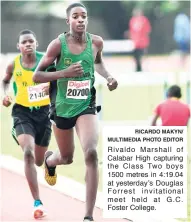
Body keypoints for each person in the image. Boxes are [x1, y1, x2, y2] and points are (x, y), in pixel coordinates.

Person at [33, 2, 118, 222]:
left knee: (91, 152)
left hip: (86, 104)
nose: (80, 20)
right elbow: (37, 75)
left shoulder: (96, 42)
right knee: (67, 157)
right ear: (68, 21)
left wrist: (108, 77)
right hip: (61, 106)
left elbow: (98, 64)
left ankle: (88, 215)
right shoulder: (57, 45)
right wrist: (64, 72)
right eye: (76, 17)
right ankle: (51, 162)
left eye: (84, 16)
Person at [2, 29, 53, 219]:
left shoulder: (46, 61)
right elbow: (5, 81)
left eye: (31, 41)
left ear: (36, 43)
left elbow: (57, 80)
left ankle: (49, 160)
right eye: (24, 42)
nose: (28, 44)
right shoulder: (13, 64)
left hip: (44, 113)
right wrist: (5, 95)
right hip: (22, 112)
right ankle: (37, 202)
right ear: (19, 46)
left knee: (39, 161)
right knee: (28, 153)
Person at [124, 8, 151, 72]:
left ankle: (142, 67)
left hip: (143, 41)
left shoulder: (144, 20)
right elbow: (132, 30)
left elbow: (148, 30)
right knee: (135, 55)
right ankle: (138, 67)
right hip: (135, 42)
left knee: (142, 55)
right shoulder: (132, 20)